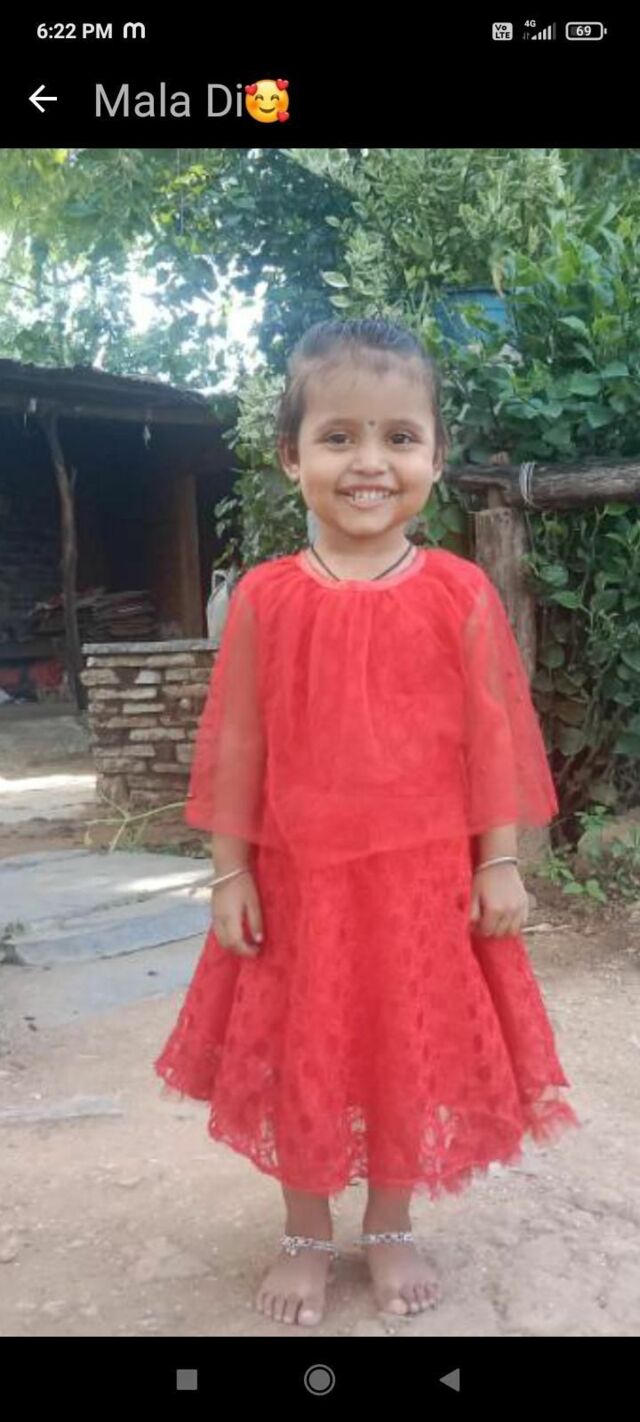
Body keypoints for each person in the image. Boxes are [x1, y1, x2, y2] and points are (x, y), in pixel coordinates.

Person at [154, 317, 580, 1329]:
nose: (369, 462)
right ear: (289, 454)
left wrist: (499, 860)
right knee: (301, 1049)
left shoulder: (460, 594)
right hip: (298, 887)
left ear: (435, 452)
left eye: (399, 436)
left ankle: (390, 1224)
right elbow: (238, 746)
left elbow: (491, 739)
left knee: (403, 1051)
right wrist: (230, 872)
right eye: (338, 436)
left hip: (423, 887)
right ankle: (305, 1233)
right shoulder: (265, 599)